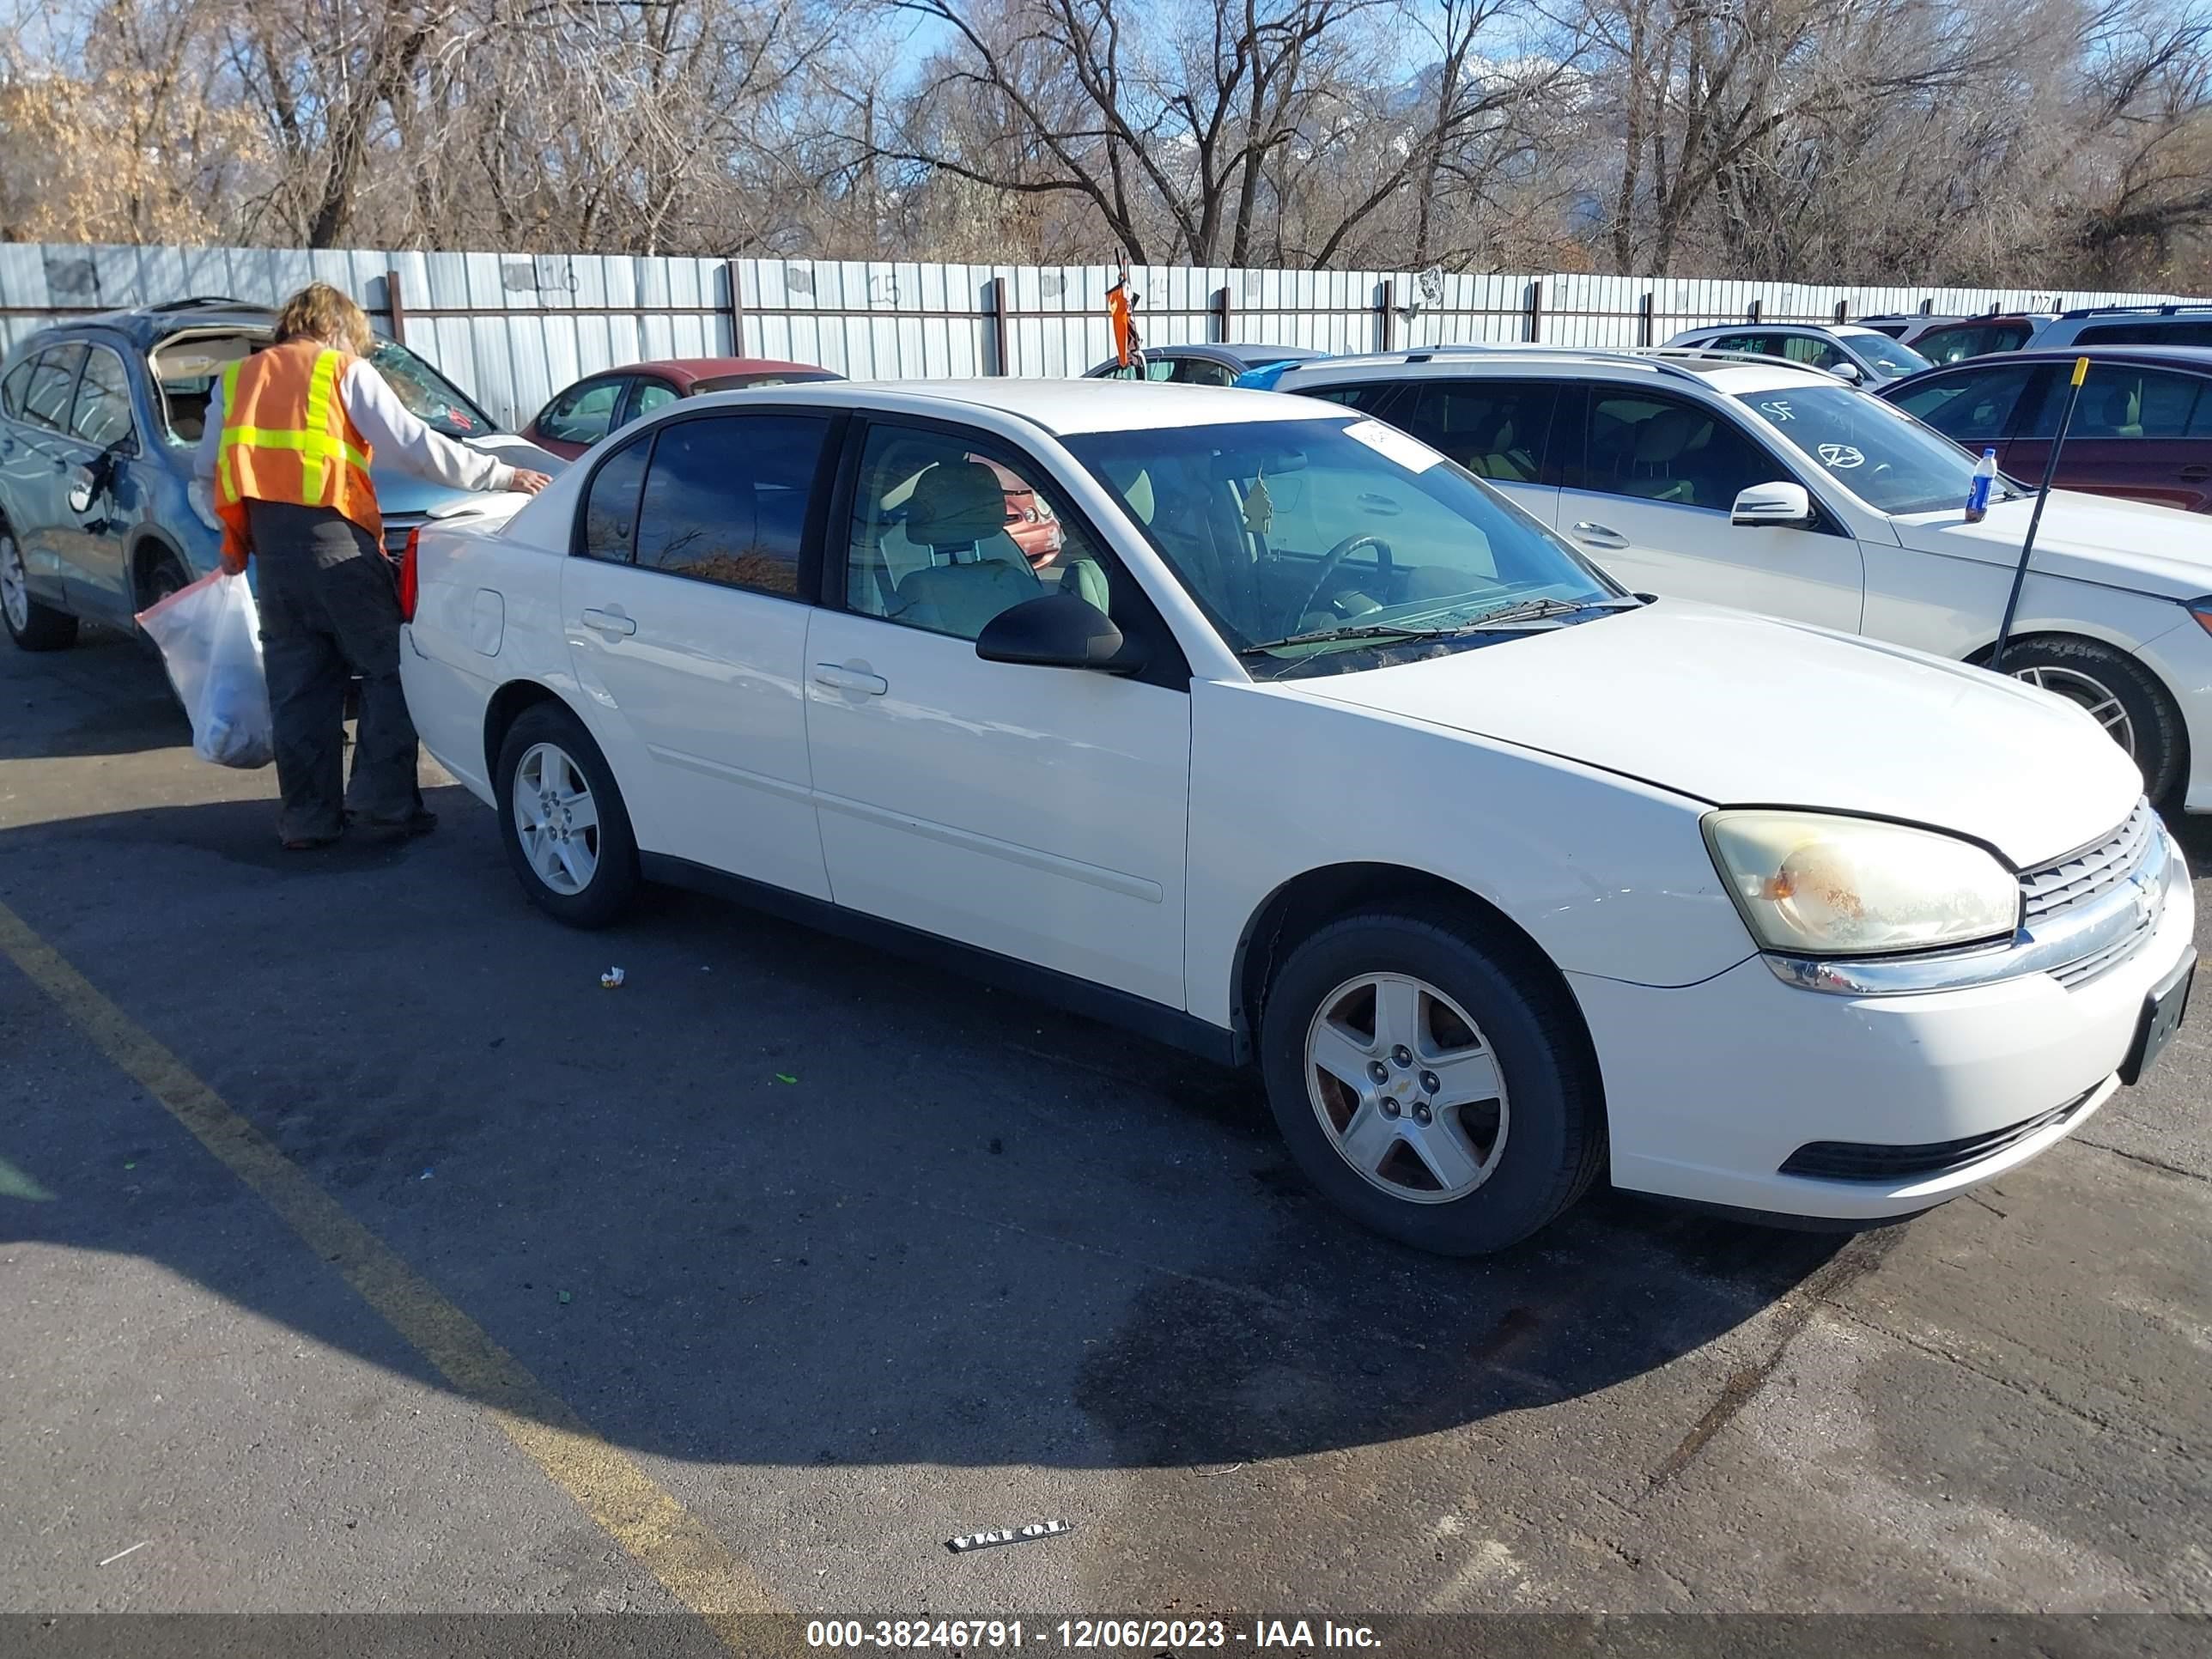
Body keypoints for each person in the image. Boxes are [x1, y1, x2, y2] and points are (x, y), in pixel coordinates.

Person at [192, 283, 550, 850]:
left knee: (299, 691)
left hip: (273, 561)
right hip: (338, 549)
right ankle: (382, 806)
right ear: (338, 330)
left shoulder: (235, 381)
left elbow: (206, 471)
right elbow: (416, 446)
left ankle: (308, 821)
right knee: (393, 668)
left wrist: (242, 533)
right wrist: (504, 475)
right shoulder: (341, 371)